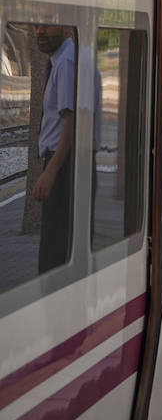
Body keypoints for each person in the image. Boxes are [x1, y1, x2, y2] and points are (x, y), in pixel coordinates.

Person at [33, 25, 76, 272]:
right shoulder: (59, 60)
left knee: (53, 253)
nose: (39, 32)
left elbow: (71, 122)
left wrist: (51, 171)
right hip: (57, 162)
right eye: (36, 26)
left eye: (47, 26)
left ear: (65, 27)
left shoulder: (66, 62)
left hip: (61, 164)